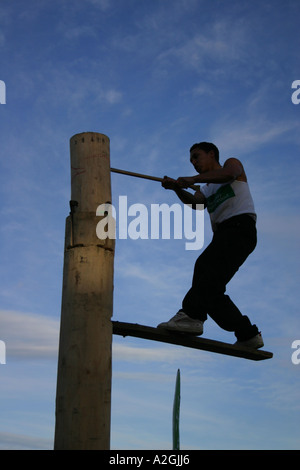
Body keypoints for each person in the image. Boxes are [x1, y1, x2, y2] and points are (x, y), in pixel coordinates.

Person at [157, 142, 263, 349]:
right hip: (224, 234)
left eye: (197, 157)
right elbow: (196, 204)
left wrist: (193, 179)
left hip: (240, 227)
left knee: (204, 266)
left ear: (211, 154)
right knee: (210, 291)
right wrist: (177, 189)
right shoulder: (206, 189)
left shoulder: (231, 165)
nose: (194, 163)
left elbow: (229, 175)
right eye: (191, 161)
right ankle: (247, 334)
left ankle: (192, 316)